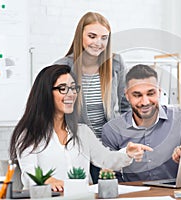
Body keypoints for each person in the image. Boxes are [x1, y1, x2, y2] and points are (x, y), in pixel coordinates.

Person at [9, 65, 152, 192]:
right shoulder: (28, 134)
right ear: (45, 93)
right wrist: (48, 181)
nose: (71, 94)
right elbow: (29, 174)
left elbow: (106, 160)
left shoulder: (82, 132)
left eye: (73, 88)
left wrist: (127, 153)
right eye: (63, 88)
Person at [54, 12, 130, 183]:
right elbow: (54, 110)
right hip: (77, 146)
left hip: (109, 147)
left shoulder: (116, 63)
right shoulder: (62, 66)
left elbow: (126, 106)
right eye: (92, 36)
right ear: (80, 36)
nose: (98, 43)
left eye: (104, 38)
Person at [102, 64, 181, 182]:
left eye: (151, 93)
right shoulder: (111, 130)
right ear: (127, 95)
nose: (145, 102)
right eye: (137, 95)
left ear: (159, 92)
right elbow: (110, 178)